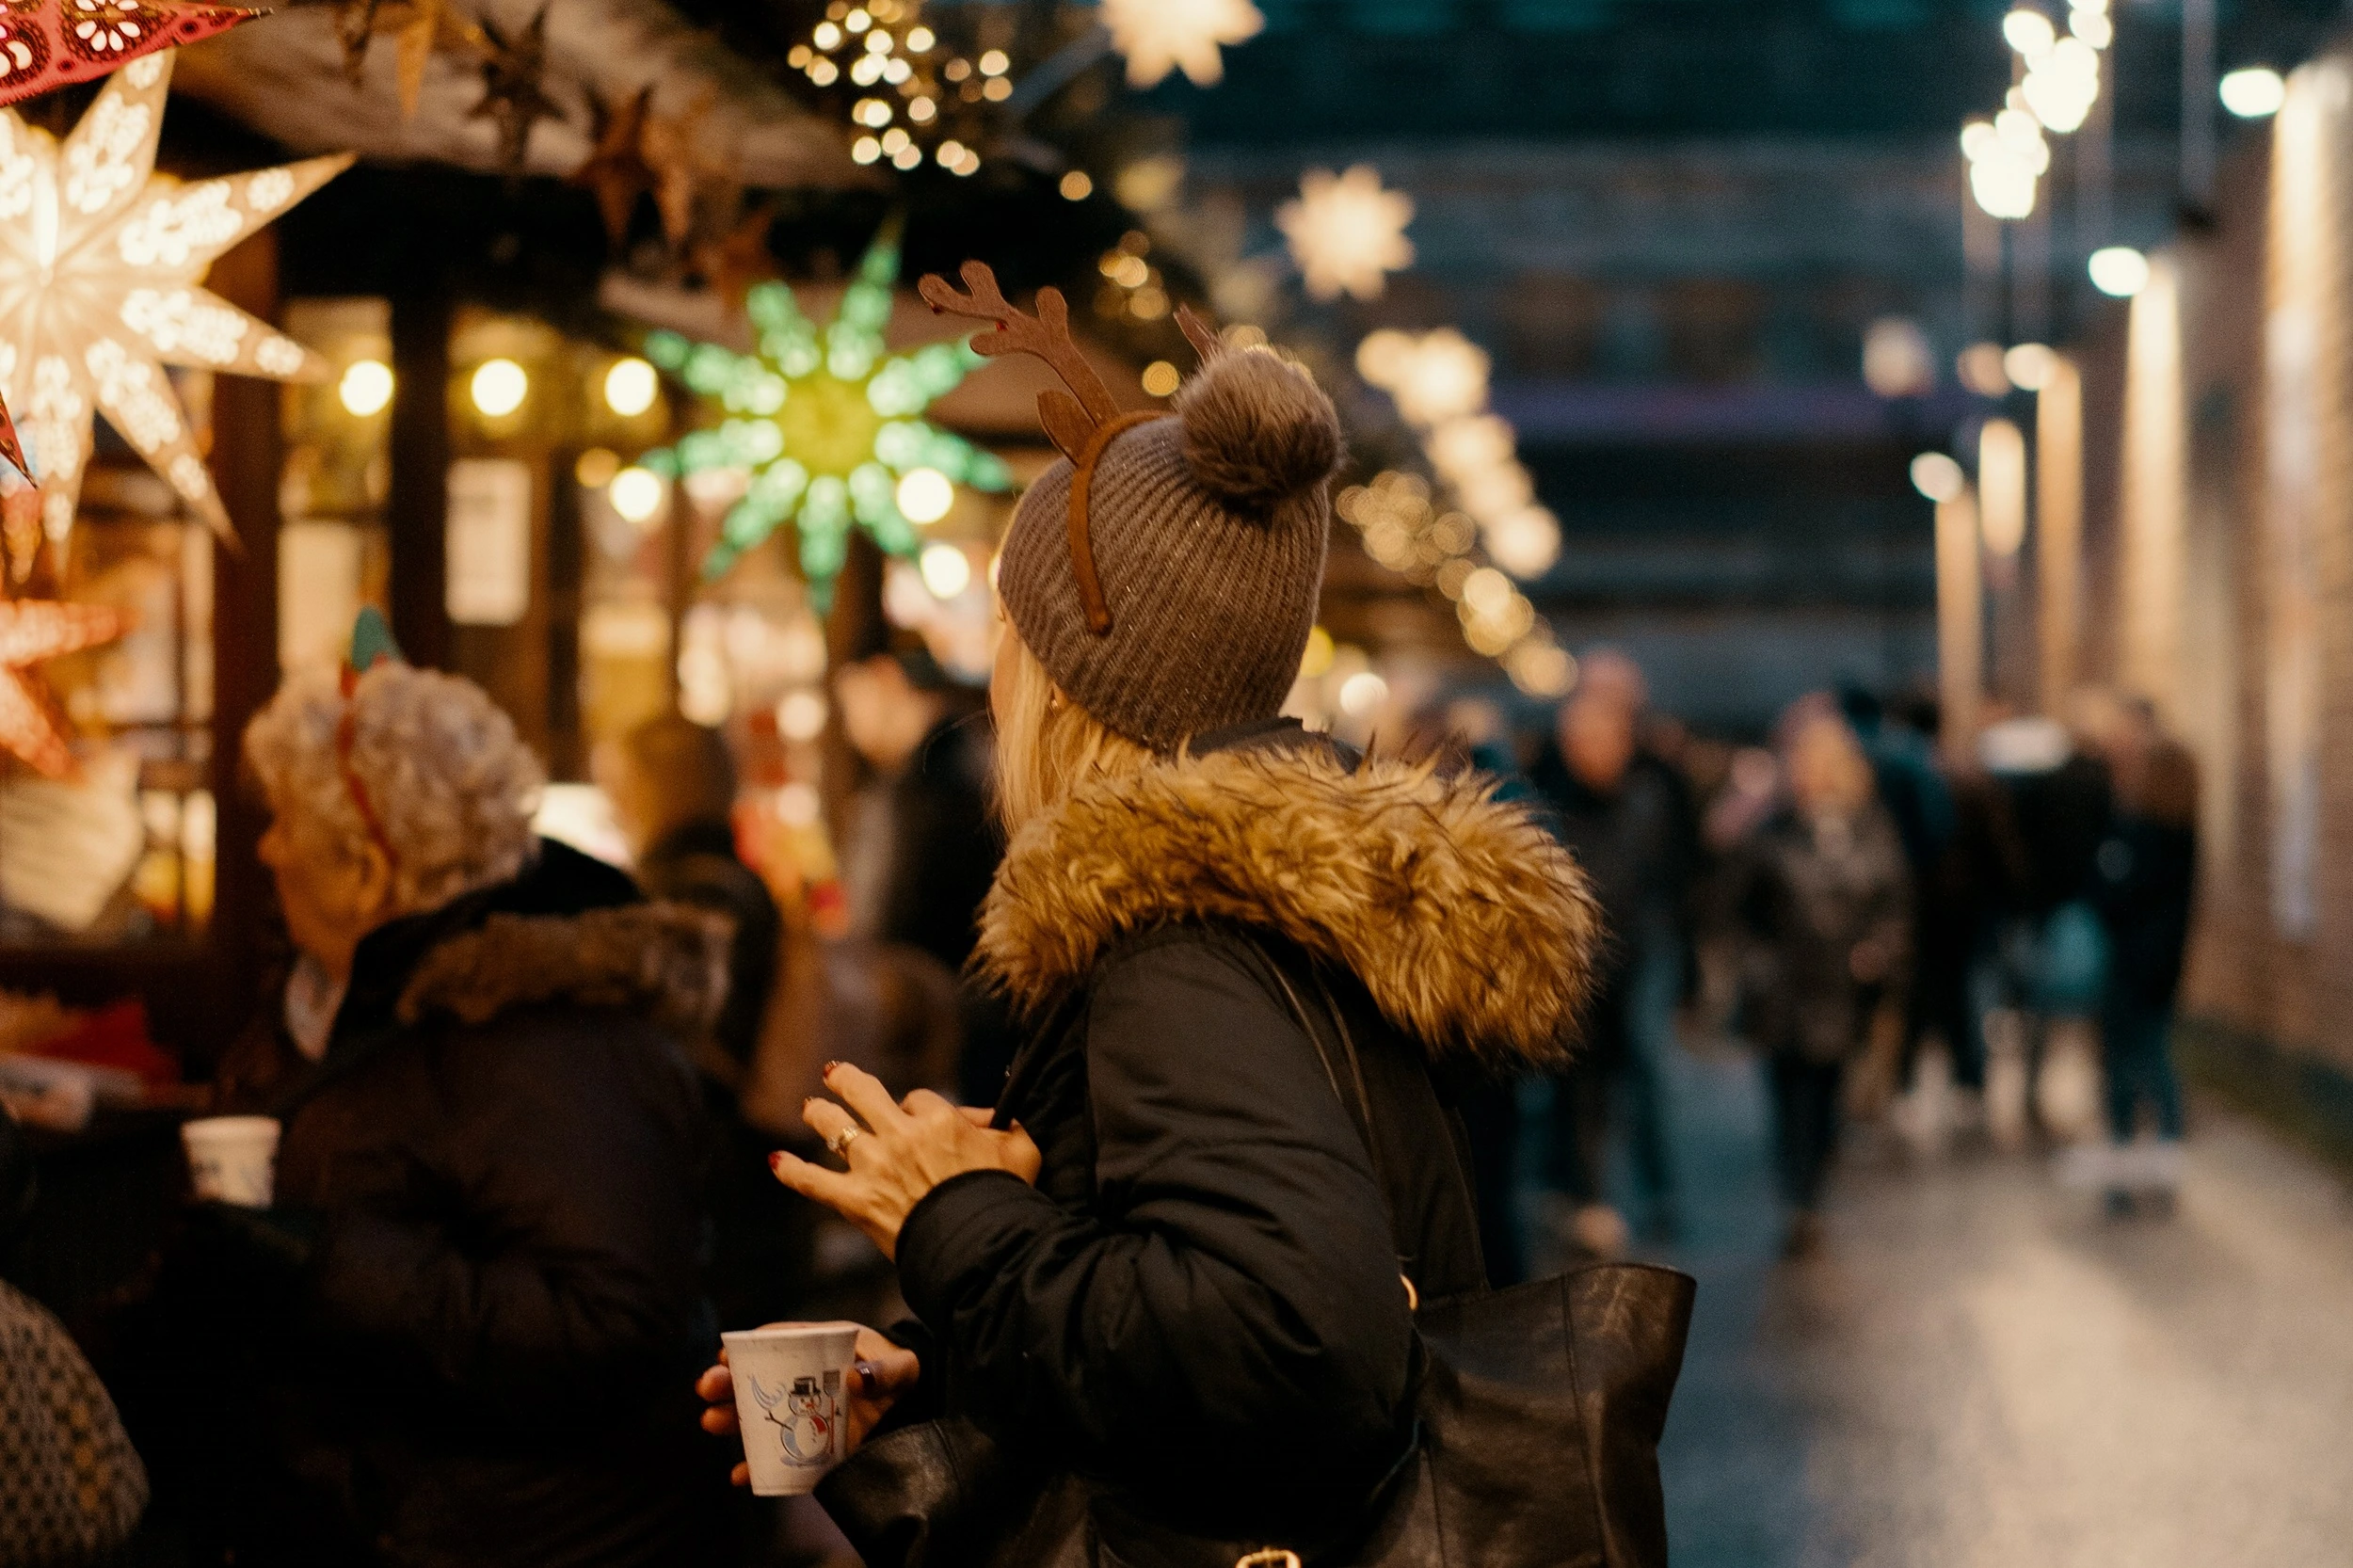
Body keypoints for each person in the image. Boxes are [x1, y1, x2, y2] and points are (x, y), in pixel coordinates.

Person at [701, 306, 1603, 1559]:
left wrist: (954, 1217)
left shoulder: (1178, 947)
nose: (996, 668)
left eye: (1013, 630)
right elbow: (1199, 1307)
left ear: (1074, 677)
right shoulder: (1278, 906)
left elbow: (1292, 1342)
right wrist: (944, 1367)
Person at [168, 632, 734, 1567]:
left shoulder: (554, 1037)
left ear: (366, 866)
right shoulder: (322, 1005)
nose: (265, 846)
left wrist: (325, 1264)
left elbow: (610, 1323)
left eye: (282, 822)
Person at [1730, 706, 1911, 1256]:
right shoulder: (1772, 831)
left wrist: (1879, 950)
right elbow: (1738, 906)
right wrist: (1755, 965)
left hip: (1840, 989)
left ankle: (1810, 1193)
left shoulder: (1868, 826)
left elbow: (1894, 900)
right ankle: (1797, 1198)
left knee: (1824, 1095)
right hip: (1785, 988)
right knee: (1788, 1098)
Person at [1530, 665, 1684, 1253]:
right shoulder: (1550, 801)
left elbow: (1673, 875)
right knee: (1581, 1089)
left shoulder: (1652, 793)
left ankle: (1658, 1195)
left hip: (1639, 959)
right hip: (1579, 967)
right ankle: (1590, 1197)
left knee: (1645, 1081)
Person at [834, 646, 1010, 1106]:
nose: (849, 726)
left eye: (850, 700)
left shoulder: (921, 790)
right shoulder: (978, 760)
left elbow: (884, 930)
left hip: (943, 1041)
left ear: (886, 678)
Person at [2089, 701, 2199, 1212]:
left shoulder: (2140, 832)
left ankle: (2124, 1174)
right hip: (2160, 966)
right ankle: (2161, 1167)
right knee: (2154, 1062)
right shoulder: (2183, 834)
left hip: (2131, 965)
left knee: (2128, 1069)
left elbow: (2112, 893)